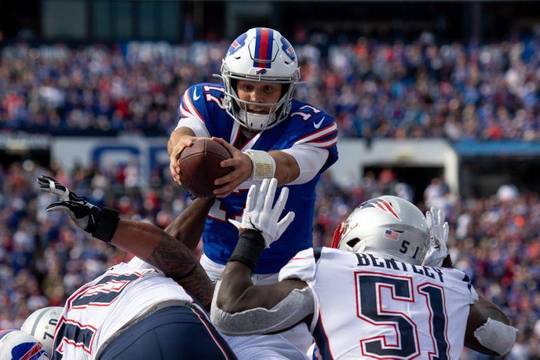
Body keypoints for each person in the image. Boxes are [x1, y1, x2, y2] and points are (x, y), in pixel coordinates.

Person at [211, 179, 518, 359]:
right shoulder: (447, 284)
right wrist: (447, 271)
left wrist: (251, 238)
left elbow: (228, 312)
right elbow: (502, 338)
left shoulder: (327, 267)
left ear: (357, 232)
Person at [167, 27, 339, 281]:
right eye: (247, 86)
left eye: (268, 89)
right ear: (230, 83)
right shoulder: (206, 101)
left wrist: (250, 165)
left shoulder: (313, 125)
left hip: (286, 272)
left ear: (286, 89)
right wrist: (181, 147)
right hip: (216, 266)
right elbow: (185, 132)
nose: (255, 98)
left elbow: (291, 166)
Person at [37, 176, 235, 360]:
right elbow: (172, 245)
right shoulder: (102, 287)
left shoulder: (65, 345)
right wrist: (211, 192)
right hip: (174, 318)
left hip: (120, 346)